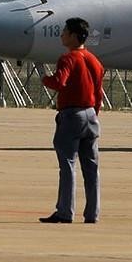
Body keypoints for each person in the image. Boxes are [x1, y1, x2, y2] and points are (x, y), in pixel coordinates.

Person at [39, 17, 105, 224]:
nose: (62, 35)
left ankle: (65, 212)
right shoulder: (95, 61)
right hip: (91, 115)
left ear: (74, 36)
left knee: (67, 165)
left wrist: (44, 79)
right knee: (91, 168)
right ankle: (92, 214)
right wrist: (93, 112)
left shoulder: (68, 59)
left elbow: (60, 82)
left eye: (65, 32)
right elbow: (99, 92)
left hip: (72, 115)